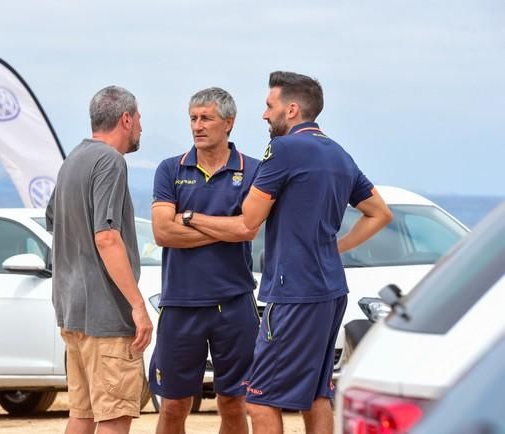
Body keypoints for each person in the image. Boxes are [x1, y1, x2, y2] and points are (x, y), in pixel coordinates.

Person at [241, 72, 393, 434]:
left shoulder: (283, 149)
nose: (264, 114)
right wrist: (336, 246)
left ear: (292, 109)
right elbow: (380, 213)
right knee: (316, 395)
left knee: (260, 399)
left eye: (269, 105)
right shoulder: (338, 153)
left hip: (294, 289)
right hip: (330, 288)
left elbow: (250, 218)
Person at [150, 87, 261, 434]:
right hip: (180, 304)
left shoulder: (253, 170)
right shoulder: (170, 169)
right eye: (193, 118)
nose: (197, 126)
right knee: (173, 406)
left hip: (234, 304)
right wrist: (227, 227)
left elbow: (248, 229)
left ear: (229, 123)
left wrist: (189, 217)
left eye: (206, 118)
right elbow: (162, 233)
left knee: (233, 403)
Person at [49, 85, 153, 434]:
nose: (141, 126)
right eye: (138, 118)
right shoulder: (110, 161)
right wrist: (137, 305)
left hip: (72, 311)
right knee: (113, 417)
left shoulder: (73, 160)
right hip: (107, 317)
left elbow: (54, 219)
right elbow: (107, 236)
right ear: (126, 119)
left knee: (82, 415)